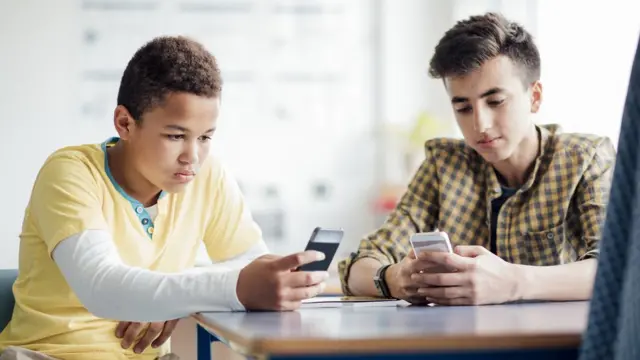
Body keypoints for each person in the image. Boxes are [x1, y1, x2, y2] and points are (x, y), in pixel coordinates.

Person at [0, 36, 328, 360]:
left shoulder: (207, 175)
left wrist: (168, 297)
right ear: (125, 123)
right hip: (51, 355)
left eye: (205, 137)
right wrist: (176, 294)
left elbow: (252, 264)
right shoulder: (70, 172)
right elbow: (102, 287)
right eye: (175, 136)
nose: (193, 156)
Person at [338, 12, 616, 306]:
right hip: (463, 343)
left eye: (495, 102)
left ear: (534, 97)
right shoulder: (443, 165)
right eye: (463, 107)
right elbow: (358, 267)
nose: (480, 124)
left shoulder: (586, 159)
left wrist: (512, 283)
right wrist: (395, 278)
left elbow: (616, 267)